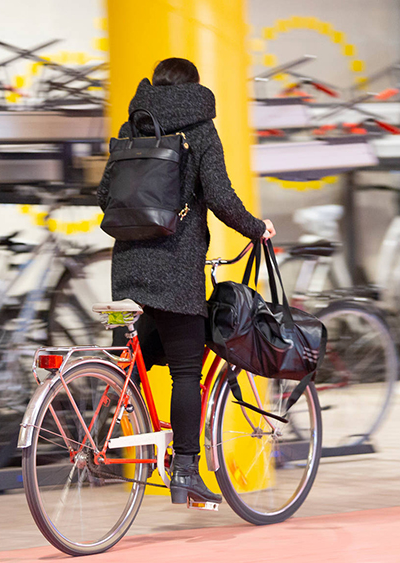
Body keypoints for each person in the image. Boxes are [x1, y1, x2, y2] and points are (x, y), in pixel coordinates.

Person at [96, 57, 275, 506]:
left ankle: (102, 427)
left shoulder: (133, 125)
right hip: (175, 269)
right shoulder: (200, 129)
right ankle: (186, 472)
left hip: (127, 267)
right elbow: (219, 196)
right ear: (194, 86)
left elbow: (104, 196)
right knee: (186, 370)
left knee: (133, 358)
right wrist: (257, 228)